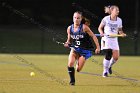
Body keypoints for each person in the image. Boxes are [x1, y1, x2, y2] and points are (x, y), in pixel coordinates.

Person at [64, 11, 100, 85]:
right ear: (73, 18)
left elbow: (93, 36)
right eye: (75, 18)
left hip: (84, 51)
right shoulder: (69, 28)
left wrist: (98, 47)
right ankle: (72, 81)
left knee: (78, 69)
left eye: (78, 18)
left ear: (81, 19)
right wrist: (67, 43)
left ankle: (79, 62)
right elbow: (69, 40)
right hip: (75, 49)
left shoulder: (84, 27)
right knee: (70, 63)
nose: (76, 19)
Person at [98, 5, 126, 77]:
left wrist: (122, 34)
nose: (118, 11)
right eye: (116, 10)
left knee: (116, 57)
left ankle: (109, 66)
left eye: (118, 10)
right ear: (112, 11)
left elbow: (120, 30)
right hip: (106, 39)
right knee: (109, 53)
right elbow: (100, 28)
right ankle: (105, 71)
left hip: (114, 40)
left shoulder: (119, 20)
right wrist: (101, 33)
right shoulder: (106, 19)